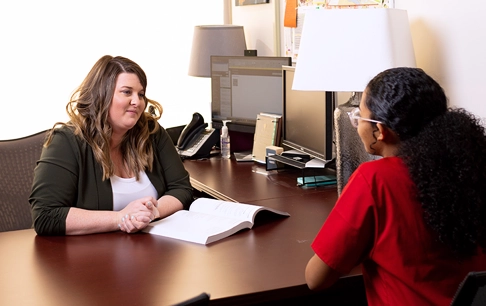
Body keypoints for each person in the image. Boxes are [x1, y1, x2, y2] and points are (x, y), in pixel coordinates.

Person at [305, 67, 486, 305]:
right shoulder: (473, 168)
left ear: (379, 131)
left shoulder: (375, 180)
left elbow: (316, 279)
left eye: (359, 116)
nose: (357, 124)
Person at [30, 55, 193, 236]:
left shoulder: (151, 132)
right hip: (90, 258)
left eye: (140, 94)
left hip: (151, 254)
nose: (137, 102)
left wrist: (152, 212)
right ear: (102, 95)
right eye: (126, 92)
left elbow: (182, 188)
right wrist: (121, 218)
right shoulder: (66, 141)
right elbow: (46, 215)